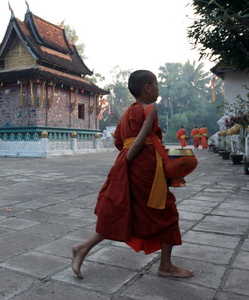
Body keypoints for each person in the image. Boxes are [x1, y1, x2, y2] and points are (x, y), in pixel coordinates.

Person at [71, 70, 193, 279]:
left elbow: (120, 141)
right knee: (167, 213)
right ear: (147, 87)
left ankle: (83, 248)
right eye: (156, 86)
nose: (157, 90)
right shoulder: (150, 109)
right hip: (143, 165)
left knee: (122, 209)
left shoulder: (128, 112)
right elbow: (139, 141)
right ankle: (165, 265)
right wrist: (129, 162)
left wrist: (123, 164)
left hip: (127, 163)